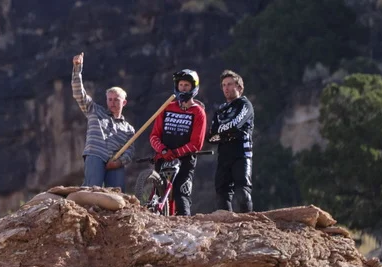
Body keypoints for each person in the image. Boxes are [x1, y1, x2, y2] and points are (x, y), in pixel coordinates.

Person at [147, 69, 208, 214]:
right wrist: (163, 150)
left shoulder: (198, 112)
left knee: (182, 195)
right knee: (156, 196)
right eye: (181, 85)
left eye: (186, 85)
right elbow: (154, 136)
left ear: (193, 87)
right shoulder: (167, 107)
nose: (183, 88)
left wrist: (176, 153)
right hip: (163, 157)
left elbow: (196, 143)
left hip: (185, 160)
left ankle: (184, 228)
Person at [71, 53, 135, 188]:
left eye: (116, 100)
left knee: (117, 194)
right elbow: (79, 94)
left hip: (115, 161)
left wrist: (118, 162)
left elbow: (130, 151)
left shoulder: (128, 129)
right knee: (92, 189)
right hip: (95, 154)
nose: (112, 103)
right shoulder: (94, 110)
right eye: (110, 99)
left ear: (124, 103)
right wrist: (77, 69)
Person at [209, 70, 254, 212]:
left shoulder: (245, 104)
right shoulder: (220, 110)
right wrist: (225, 133)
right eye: (223, 85)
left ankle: (248, 223)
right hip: (224, 155)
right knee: (221, 192)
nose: (226, 88)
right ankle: (226, 225)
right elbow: (211, 135)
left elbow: (236, 123)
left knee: (242, 191)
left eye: (229, 84)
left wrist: (221, 133)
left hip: (241, 153)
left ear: (239, 87)